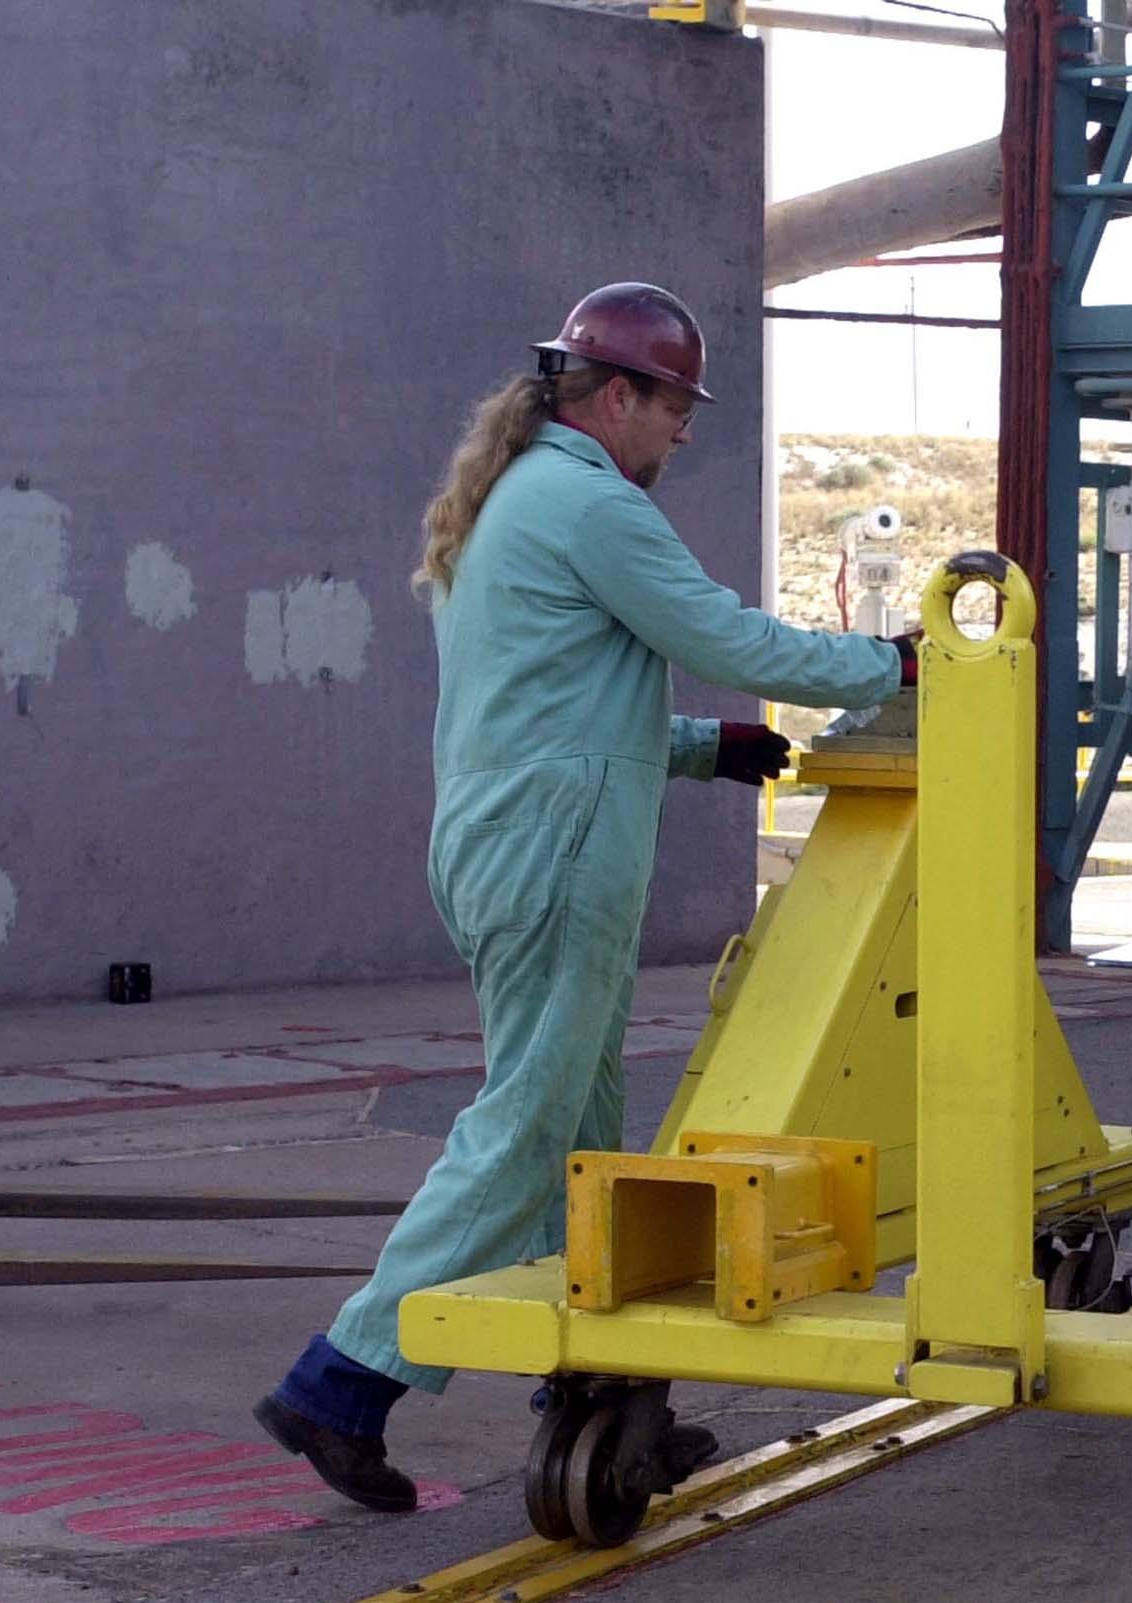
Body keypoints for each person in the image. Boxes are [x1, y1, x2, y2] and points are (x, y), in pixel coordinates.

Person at [253, 283, 919, 1512]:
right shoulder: (590, 503)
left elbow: (543, 704)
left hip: (512, 838)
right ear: (619, 397)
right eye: (676, 410)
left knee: (580, 1149)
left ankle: (609, 1389)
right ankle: (341, 1379)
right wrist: (898, 661)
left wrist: (698, 750)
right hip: (555, 855)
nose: (681, 434)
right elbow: (734, 638)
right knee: (523, 1132)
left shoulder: (512, 499)